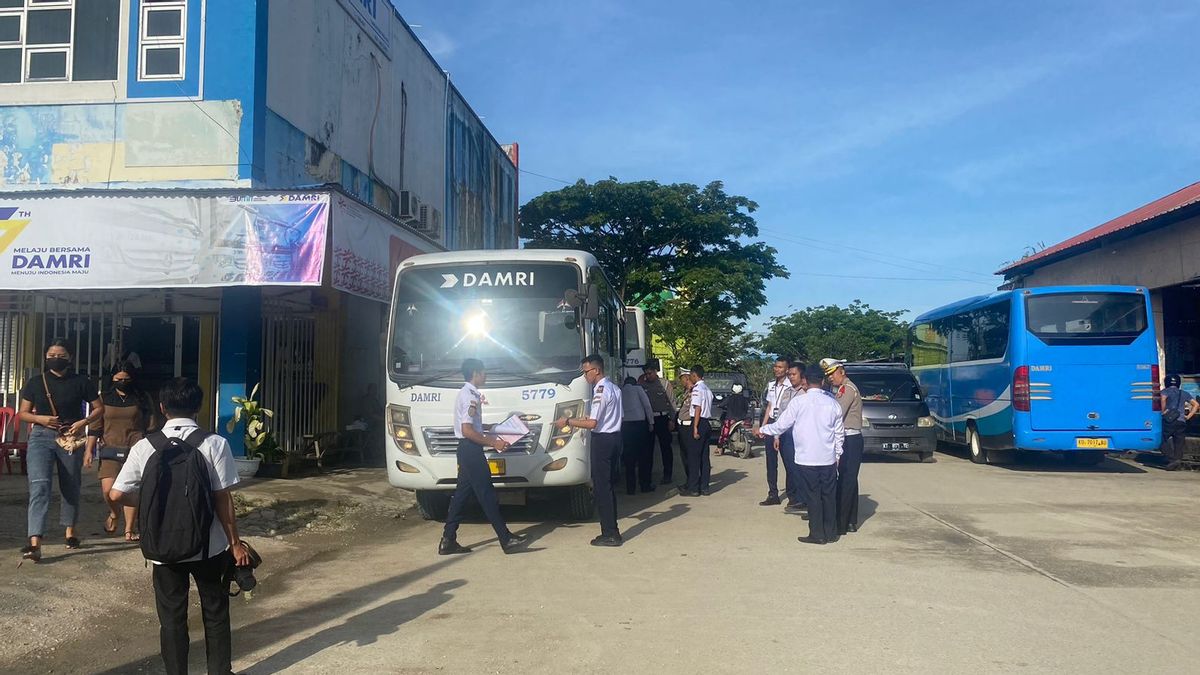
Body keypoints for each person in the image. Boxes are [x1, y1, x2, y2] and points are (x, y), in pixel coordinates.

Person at [108, 378, 251, 675]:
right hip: (208, 547)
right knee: (215, 611)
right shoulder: (214, 444)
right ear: (198, 407)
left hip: (162, 549)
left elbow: (116, 493)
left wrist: (147, 498)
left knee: (172, 618)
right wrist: (235, 543)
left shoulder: (144, 446)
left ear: (162, 408)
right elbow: (222, 498)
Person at [17, 339, 104, 562]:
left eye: (60, 354)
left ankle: (70, 532)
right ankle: (34, 541)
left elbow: (99, 408)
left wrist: (82, 423)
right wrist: (40, 419)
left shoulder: (81, 381)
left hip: (70, 438)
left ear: (70, 357)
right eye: (51, 354)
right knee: (39, 486)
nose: (55, 357)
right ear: (46, 357)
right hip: (40, 437)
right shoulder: (36, 382)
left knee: (70, 484)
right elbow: (23, 413)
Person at [438, 359, 528, 555]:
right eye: (484, 372)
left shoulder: (466, 393)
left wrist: (495, 427)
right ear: (476, 373)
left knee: (461, 496)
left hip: (466, 449)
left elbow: (472, 426)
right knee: (487, 495)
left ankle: (448, 540)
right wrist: (494, 442)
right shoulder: (470, 396)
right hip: (471, 450)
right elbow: (467, 430)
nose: (486, 376)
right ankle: (505, 539)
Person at [758, 364, 845, 545]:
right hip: (827, 458)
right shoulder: (832, 403)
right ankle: (831, 532)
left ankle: (817, 534)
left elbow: (781, 425)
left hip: (806, 458)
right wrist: (838, 455)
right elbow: (839, 433)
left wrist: (763, 429)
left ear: (805, 381)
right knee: (828, 495)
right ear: (822, 381)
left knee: (813, 496)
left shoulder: (798, 402)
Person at [556, 354, 624, 547]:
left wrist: (568, 421)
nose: (585, 376)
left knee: (602, 488)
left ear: (596, 370)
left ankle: (610, 532)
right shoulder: (614, 388)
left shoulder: (600, 390)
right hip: (615, 438)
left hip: (603, 441)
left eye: (586, 372)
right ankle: (612, 529)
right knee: (608, 486)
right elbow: (607, 417)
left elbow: (593, 423)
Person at [86, 362, 157, 542]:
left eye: (126, 379)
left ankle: (129, 529)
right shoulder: (103, 398)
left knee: (130, 489)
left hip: (135, 448)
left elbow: (151, 425)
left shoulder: (142, 397)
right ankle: (114, 513)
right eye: (119, 379)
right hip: (109, 447)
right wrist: (89, 450)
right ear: (112, 379)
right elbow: (95, 427)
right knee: (109, 491)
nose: (123, 382)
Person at [822, 358, 864, 535]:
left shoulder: (847, 389)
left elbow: (837, 413)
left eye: (832, 374)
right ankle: (850, 521)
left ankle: (842, 522)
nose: (831, 378)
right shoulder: (841, 388)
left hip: (850, 438)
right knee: (849, 479)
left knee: (846, 480)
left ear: (841, 371)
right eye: (828, 375)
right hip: (849, 438)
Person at [759, 357, 799, 508]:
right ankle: (773, 494)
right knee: (771, 462)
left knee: (789, 462)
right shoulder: (771, 385)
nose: (777, 369)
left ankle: (793, 496)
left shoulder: (792, 386)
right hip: (771, 423)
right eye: (775, 366)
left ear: (787, 369)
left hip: (786, 426)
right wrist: (763, 427)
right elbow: (769, 407)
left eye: (780, 367)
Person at [639, 362, 677, 485]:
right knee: (647, 450)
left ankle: (667, 475)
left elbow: (672, 403)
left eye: (650, 373)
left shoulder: (665, 384)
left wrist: (672, 420)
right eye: (646, 374)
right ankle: (647, 477)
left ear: (655, 372)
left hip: (662, 418)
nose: (648, 376)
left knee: (665, 448)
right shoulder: (642, 384)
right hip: (648, 420)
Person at [683, 365, 714, 496]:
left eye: (690, 375)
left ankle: (693, 487)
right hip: (707, 422)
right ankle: (705, 486)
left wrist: (695, 427)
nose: (689, 377)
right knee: (704, 457)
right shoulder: (707, 389)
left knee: (693, 456)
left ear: (695, 375)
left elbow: (697, 408)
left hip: (698, 421)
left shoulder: (697, 389)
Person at [620, 376, 655, 494]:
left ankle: (630, 488)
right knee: (643, 457)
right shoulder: (638, 389)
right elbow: (647, 406)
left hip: (625, 426)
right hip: (639, 425)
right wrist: (651, 422)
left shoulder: (620, 391)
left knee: (629, 458)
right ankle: (645, 485)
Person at [1160, 374, 1198, 471]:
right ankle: (1177, 460)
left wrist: (1163, 411)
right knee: (1179, 442)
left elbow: (1163, 399)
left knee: (1162, 439)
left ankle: (1171, 459)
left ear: (1166, 382)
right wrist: (1188, 416)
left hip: (1169, 421)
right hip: (1181, 421)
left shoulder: (1165, 391)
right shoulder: (1184, 393)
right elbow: (1196, 405)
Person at [717, 383, 751, 452]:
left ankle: (719, 448)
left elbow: (721, 405)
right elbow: (747, 408)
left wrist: (719, 405)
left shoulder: (729, 398)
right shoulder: (745, 399)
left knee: (724, 432)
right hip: (743, 419)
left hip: (731, 419)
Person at [675, 371, 695, 481]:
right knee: (684, 455)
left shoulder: (693, 392)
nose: (680, 381)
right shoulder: (686, 392)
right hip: (682, 426)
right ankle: (689, 479)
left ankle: (692, 480)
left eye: (682, 379)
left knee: (689, 454)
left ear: (687, 378)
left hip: (688, 426)